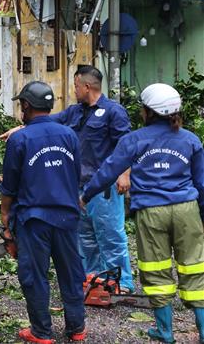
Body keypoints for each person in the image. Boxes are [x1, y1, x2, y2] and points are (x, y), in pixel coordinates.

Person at [81, 83, 204, 344]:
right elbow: (201, 183)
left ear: (147, 111)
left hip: (151, 212)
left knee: (156, 269)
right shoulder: (191, 140)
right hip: (186, 210)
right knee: (194, 268)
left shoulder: (133, 140)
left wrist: (86, 195)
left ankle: (165, 332)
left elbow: (108, 171)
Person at [0, 66, 135, 293]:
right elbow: (45, 120)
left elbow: (126, 145)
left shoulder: (113, 111)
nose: (74, 91)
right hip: (78, 188)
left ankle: (122, 283)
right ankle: (93, 281)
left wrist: (124, 173)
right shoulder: (75, 112)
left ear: (87, 86)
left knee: (110, 236)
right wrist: (20, 129)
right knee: (85, 240)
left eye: (76, 86)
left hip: (103, 188)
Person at [0, 81, 86, 344]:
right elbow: (76, 174)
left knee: (34, 276)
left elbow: (10, 184)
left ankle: (41, 332)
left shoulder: (20, 138)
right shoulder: (69, 135)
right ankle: (77, 328)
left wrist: (5, 217)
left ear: (26, 105)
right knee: (70, 272)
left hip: (34, 220)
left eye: (21, 104)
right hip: (67, 217)